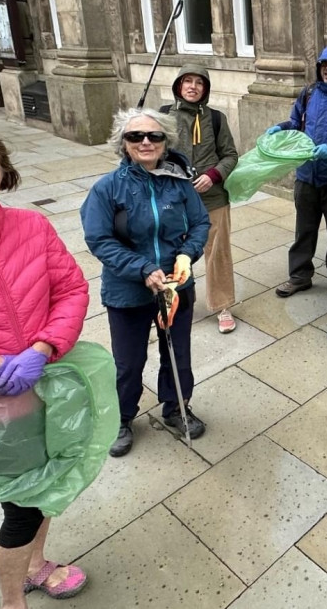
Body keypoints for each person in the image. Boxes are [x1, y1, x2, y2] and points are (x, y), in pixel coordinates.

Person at [0, 124, 90, 607]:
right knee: (23, 507)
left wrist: (45, 347)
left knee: (47, 483)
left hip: (44, 386)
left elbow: (71, 289)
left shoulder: (32, 226)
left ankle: (36, 565)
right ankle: (13, 599)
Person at [81, 108, 211, 458]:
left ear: (165, 141)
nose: (145, 142)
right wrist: (141, 268)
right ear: (123, 144)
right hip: (128, 290)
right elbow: (99, 239)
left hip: (175, 286)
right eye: (135, 136)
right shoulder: (107, 189)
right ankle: (122, 419)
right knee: (128, 361)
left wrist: (187, 254)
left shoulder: (179, 182)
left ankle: (175, 408)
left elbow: (200, 223)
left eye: (154, 136)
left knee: (177, 353)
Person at [268, 46, 327, 301]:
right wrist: (281, 127)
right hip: (306, 176)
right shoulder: (308, 93)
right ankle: (299, 276)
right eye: (324, 66)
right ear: (319, 68)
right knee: (304, 229)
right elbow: (296, 121)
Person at [164, 65, 239, 334]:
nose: (193, 87)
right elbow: (150, 152)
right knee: (171, 254)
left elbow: (231, 155)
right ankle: (171, 303)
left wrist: (213, 175)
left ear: (205, 89)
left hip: (213, 198)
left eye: (199, 82)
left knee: (218, 252)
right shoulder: (163, 116)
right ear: (178, 86)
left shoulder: (216, 118)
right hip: (174, 199)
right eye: (187, 81)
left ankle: (222, 305)